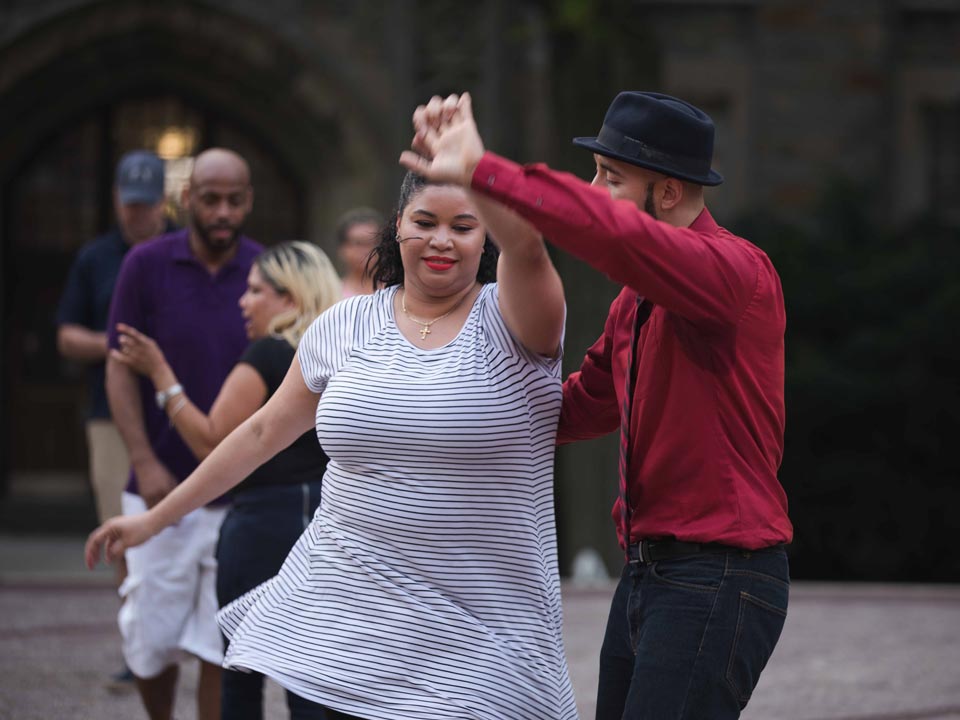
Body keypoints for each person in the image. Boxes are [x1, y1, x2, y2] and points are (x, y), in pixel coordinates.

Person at [87, 166, 576, 719]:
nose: (442, 239)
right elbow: (257, 434)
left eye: (464, 226)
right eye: (425, 222)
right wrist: (153, 521)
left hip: (483, 622)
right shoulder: (343, 325)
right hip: (355, 616)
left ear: (486, 234)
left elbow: (530, 250)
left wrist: (473, 164)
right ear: (397, 228)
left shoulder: (513, 320)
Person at [399, 92, 793, 719]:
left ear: (666, 192)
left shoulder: (735, 270)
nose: (595, 188)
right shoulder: (636, 298)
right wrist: (449, 412)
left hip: (720, 575)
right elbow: (579, 405)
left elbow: (615, 235)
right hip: (648, 574)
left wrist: (487, 171)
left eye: (611, 177)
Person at [111, 241, 340, 720]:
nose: (243, 300)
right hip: (322, 525)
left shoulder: (268, 354)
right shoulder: (338, 353)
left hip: (260, 525)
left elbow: (211, 442)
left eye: (256, 291)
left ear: (290, 299)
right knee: (312, 677)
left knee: (240, 670)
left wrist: (162, 376)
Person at [105, 147, 261, 720]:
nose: (222, 211)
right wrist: (143, 461)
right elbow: (119, 365)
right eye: (211, 198)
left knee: (220, 642)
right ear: (187, 199)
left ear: (249, 202)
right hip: (159, 486)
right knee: (150, 639)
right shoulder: (144, 264)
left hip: (239, 494)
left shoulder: (264, 269)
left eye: (234, 200)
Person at [56, 149, 172, 690]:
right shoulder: (96, 257)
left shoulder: (184, 249)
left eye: (147, 206)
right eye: (130, 205)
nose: (138, 215)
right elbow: (66, 335)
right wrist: (121, 347)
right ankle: (138, 646)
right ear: (117, 201)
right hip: (111, 415)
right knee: (122, 529)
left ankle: (189, 638)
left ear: (163, 204)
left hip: (180, 409)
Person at [334, 206, 383, 297]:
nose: (366, 250)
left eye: (371, 242)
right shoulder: (334, 294)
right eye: (358, 243)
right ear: (343, 249)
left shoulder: (395, 292)